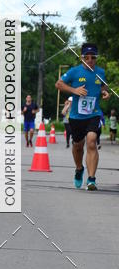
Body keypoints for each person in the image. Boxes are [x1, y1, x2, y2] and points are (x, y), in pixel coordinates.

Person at [55, 42, 110, 190]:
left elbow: (103, 86)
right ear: (82, 57)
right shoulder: (74, 72)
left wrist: (105, 92)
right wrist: (74, 90)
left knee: (92, 141)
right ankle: (79, 169)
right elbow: (58, 84)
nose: (91, 59)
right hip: (77, 116)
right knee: (78, 146)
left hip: (94, 113)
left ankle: (91, 179)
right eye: (88, 57)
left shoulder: (101, 72)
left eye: (93, 57)